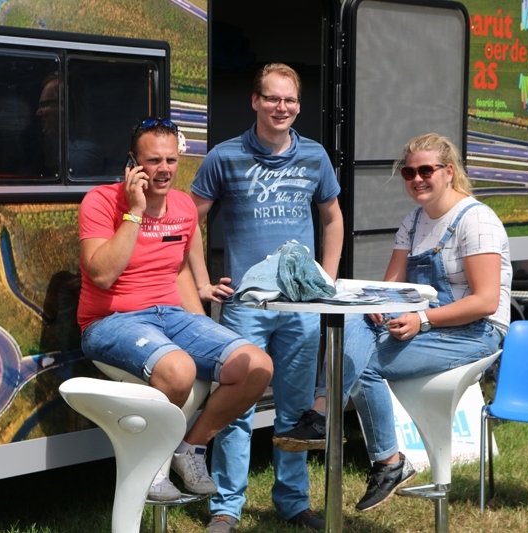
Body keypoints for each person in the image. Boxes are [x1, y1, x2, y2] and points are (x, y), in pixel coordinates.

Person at [302, 132, 512, 512]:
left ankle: (376, 452)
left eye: (426, 170)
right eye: (408, 172)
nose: (416, 179)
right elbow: (391, 288)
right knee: (352, 325)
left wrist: (423, 319)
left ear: (449, 171)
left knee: (361, 361)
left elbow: (485, 302)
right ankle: (331, 419)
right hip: (426, 324)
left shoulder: (477, 219)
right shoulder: (414, 220)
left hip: (476, 332)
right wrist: (375, 306)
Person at [77, 117, 274, 503]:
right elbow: (101, 274)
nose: (164, 169)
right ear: (133, 163)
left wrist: (201, 327)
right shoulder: (100, 201)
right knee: (179, 369)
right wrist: (135, 212)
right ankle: (150, 464)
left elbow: (180, 268)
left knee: (256, 366)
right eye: (153, 161)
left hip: (171, 316)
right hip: (110, 322)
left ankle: (190, 448)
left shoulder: (183, 206)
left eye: (171, 160)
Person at [190, 63, 343, 532]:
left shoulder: (315, 155)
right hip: (246, 306)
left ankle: (293, 502)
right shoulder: (224, 156)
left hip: (300, 306)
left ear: (298, 105)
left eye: (290, 100)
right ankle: (226, 507)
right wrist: (201, 282)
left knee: (296, 410)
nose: (282, 107)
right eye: (273, 98)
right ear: (255, 101)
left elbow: (333, 218)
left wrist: (326, 280)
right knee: (236, 407)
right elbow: (190, 219)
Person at [37, 74, 104, 176]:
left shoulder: (80, 155)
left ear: (64, 107)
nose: (38, 113)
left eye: (45, 105)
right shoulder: (58, 150)